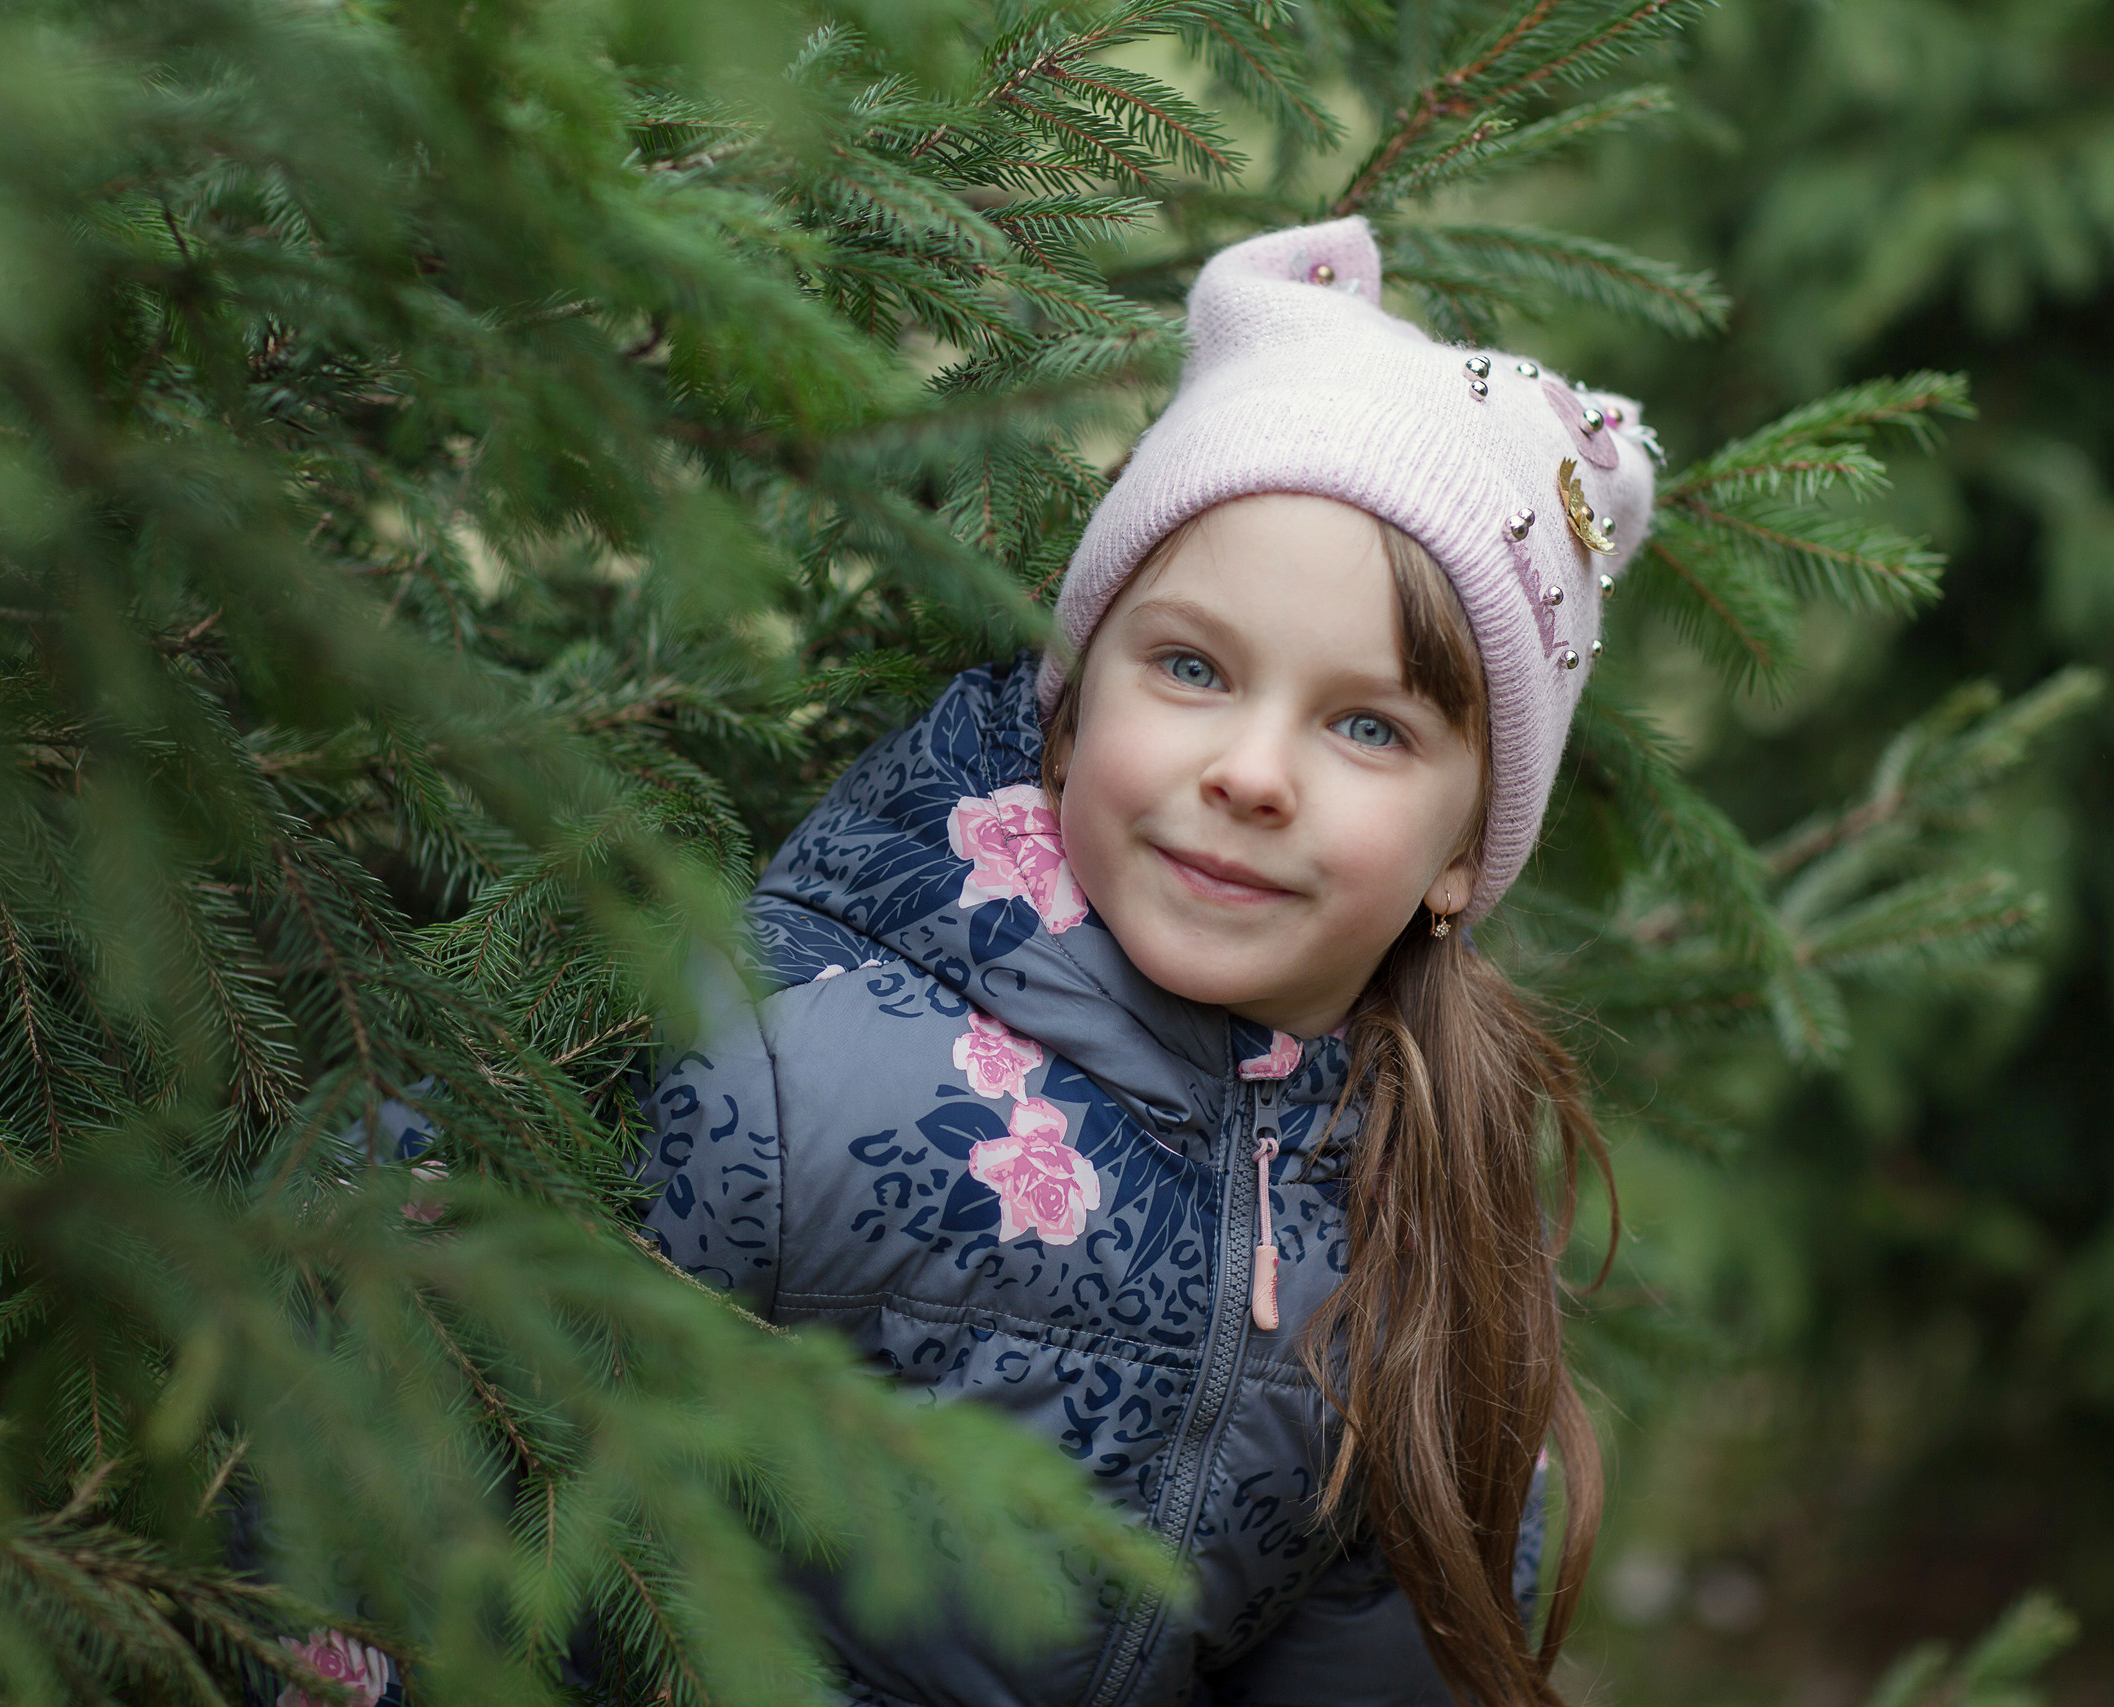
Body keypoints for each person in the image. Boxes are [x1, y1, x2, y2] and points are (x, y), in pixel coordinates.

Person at [639, 216, 1653, 1707]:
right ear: (1071, 698)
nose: (1251, 772)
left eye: (1368, 725)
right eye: (1193, 668)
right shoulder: (790, 1060)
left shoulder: (1418, 1222)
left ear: (1463, 855)